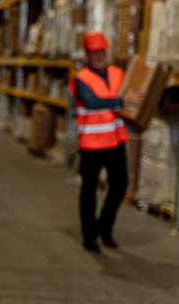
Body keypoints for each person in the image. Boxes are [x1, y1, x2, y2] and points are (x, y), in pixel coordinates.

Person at [70, 31, 144, 253]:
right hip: (91, 144)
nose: (100, 56)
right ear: (88, 55)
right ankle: (89, 236)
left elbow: (134, 91)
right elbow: (92, 103)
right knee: (89, 190)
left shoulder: (118, 73)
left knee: (120, 186)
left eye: (102, 52)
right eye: (95, 53)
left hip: (115, 140)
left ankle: (104, 228)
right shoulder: (81, 79)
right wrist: (123, 100)